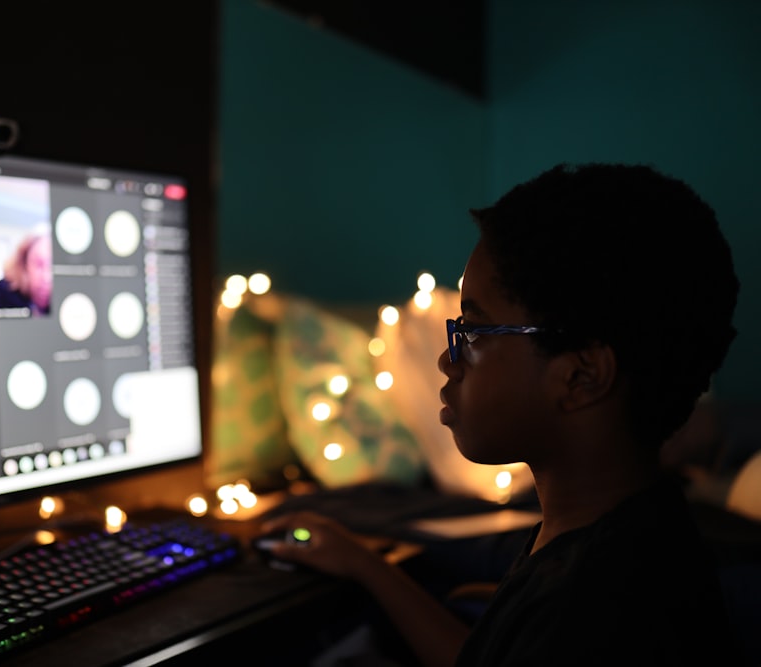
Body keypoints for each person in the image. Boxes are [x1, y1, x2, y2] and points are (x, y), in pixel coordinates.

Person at [260, 163, 746, 666]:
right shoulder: (613, 526)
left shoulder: (596, 615)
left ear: (581, 376)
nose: (448, 359)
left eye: (475, 332)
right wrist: (368, 566)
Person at [0, 228, 53, 316]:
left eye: (50, 267)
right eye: (39, 265)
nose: (46, 278)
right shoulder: (4, 293)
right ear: (24, 264)